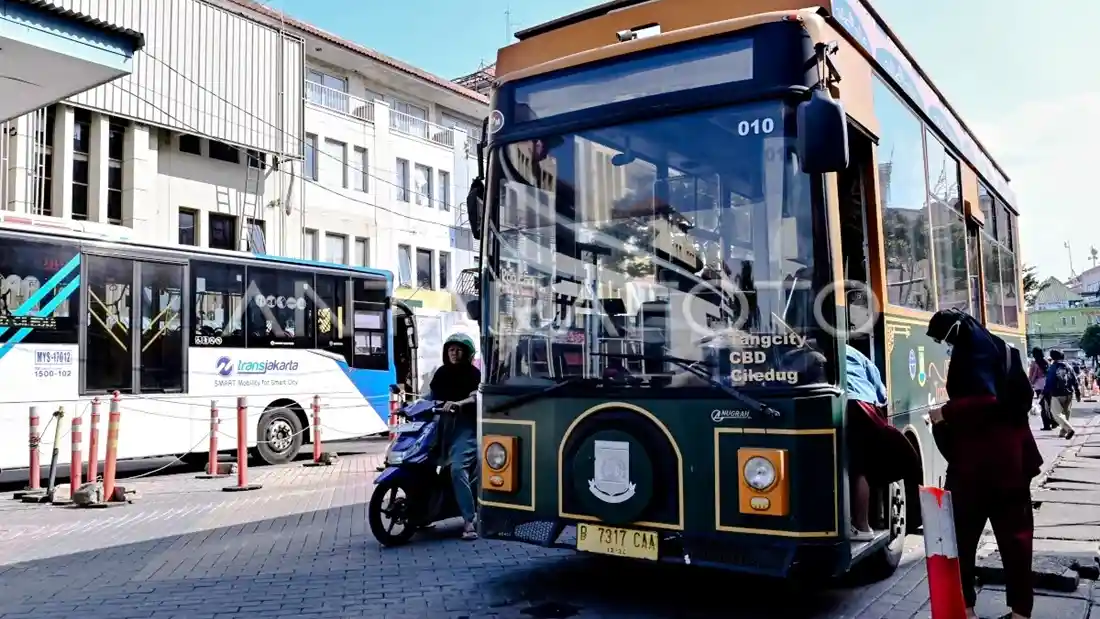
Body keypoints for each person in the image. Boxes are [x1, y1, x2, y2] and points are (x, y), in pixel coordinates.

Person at [927, 309, 1041, 619]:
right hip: (1014, 463)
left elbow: (985, 401)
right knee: (1017, 542)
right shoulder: (1006, 352)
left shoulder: (968, 356)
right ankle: (1020, 613)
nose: (947, 347)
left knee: (962, 542)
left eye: (945, 340)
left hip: (973, 468)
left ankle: (966, 609)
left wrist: (945, 413)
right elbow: (1023, 397)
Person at [843, 344, 920, 542]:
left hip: (849, 406)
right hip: (864, 406)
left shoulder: (802, 351)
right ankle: (861, 524)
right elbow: (881, 392)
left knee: (856, 468)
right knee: (859, 468)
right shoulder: (852, 351)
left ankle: (862, 526)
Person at [426, 332, 482, 541]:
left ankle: (469, 520)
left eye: (459, 350)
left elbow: (477, 396)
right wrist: (409, 405)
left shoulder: (474, 375)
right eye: (451, 349)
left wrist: (459, 404)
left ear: (467, 353)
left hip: (465, 428)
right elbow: (431, 396)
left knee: (458, 469)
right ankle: (423, 513)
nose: (454, 353)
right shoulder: (441, 373)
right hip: (441, 428)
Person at [1043, 349, 1080, 440]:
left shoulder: (1053, 367)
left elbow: (1049, 381)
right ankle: (1063, 432)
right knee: (1066, 413)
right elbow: (1074, 379)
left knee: (1056, 414)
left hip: (1057, 394)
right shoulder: (1069, 366)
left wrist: (1045, 392)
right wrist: (1077, 391)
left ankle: (1069, 429)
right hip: (1069, 393)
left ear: (1052, 357)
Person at [1027, 347, 1053, 431]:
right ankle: (1053, 422)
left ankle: (1046, 425)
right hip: (1048, 385)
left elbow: (1031, 376)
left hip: (1039, 386)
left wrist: (1031, 383)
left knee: (1043, 406)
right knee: (1049, 404)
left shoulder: (1034, 364)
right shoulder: (1047, 362)